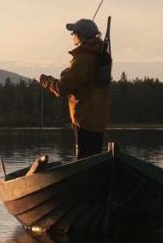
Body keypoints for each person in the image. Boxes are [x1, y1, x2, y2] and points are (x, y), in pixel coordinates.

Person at [39, 18, 112, 158]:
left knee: (84, 162)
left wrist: (45, 80)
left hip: (84, 119)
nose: (72, 35)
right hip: (98, 120)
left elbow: (62, 88)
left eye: (73, 32)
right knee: (92, 160)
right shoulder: (99, 54)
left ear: (81, 35)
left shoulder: (83, 58)